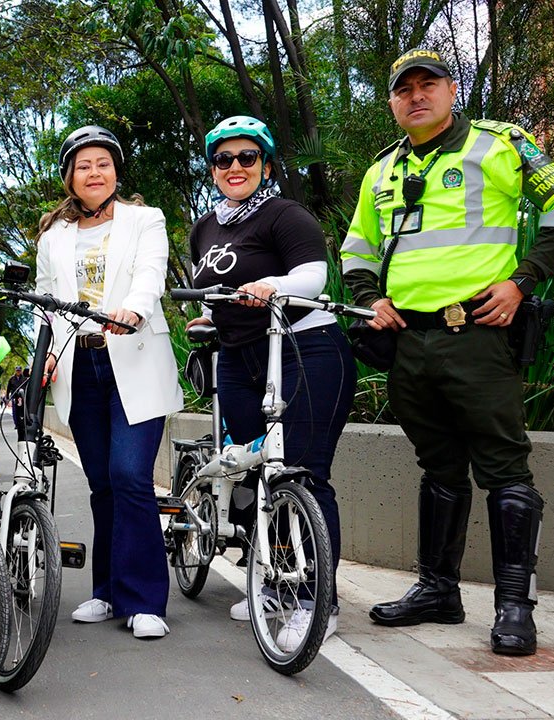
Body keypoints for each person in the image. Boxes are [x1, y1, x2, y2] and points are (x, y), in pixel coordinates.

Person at [341, 49, 554, 656]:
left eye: (429, 84)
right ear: (394, 102)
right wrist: (371, 299)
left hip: (476, 333)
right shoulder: (382, 170)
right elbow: (355, 249)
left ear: (451, 91)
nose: (417, 96)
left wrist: (522, 279)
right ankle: (437, 590)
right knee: (439, 468)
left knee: (505, 468)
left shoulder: (502, 144)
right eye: (405, 89)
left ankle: (513, 608)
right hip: (409, 343)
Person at [186, 115, 357, 647]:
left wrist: (271, 285)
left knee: (301, 473)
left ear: (264, 164)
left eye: (246, 158)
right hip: (240, 359)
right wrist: (212, 320)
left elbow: (313, 275)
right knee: (258, 470)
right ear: (212, 168)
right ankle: (275, 582)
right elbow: (218, 294)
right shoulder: (204, 227)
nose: (234, 167)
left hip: (304, 348)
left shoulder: (285, 214)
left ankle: (315, 600)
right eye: (223, 159)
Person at [36, 125, 184, 640]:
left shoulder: (146, 220)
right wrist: (49, 357)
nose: (93, 172)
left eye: (102, 163)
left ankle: (145, 600)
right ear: (70, 178)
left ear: (116, 171)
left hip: (132, 359)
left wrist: (135, 311)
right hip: (81, 368)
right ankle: (106, 591)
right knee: (102, 484)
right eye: (83, 165)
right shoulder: (53, 238)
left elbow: (150, 274)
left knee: (129, 476)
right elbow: (47, 304)